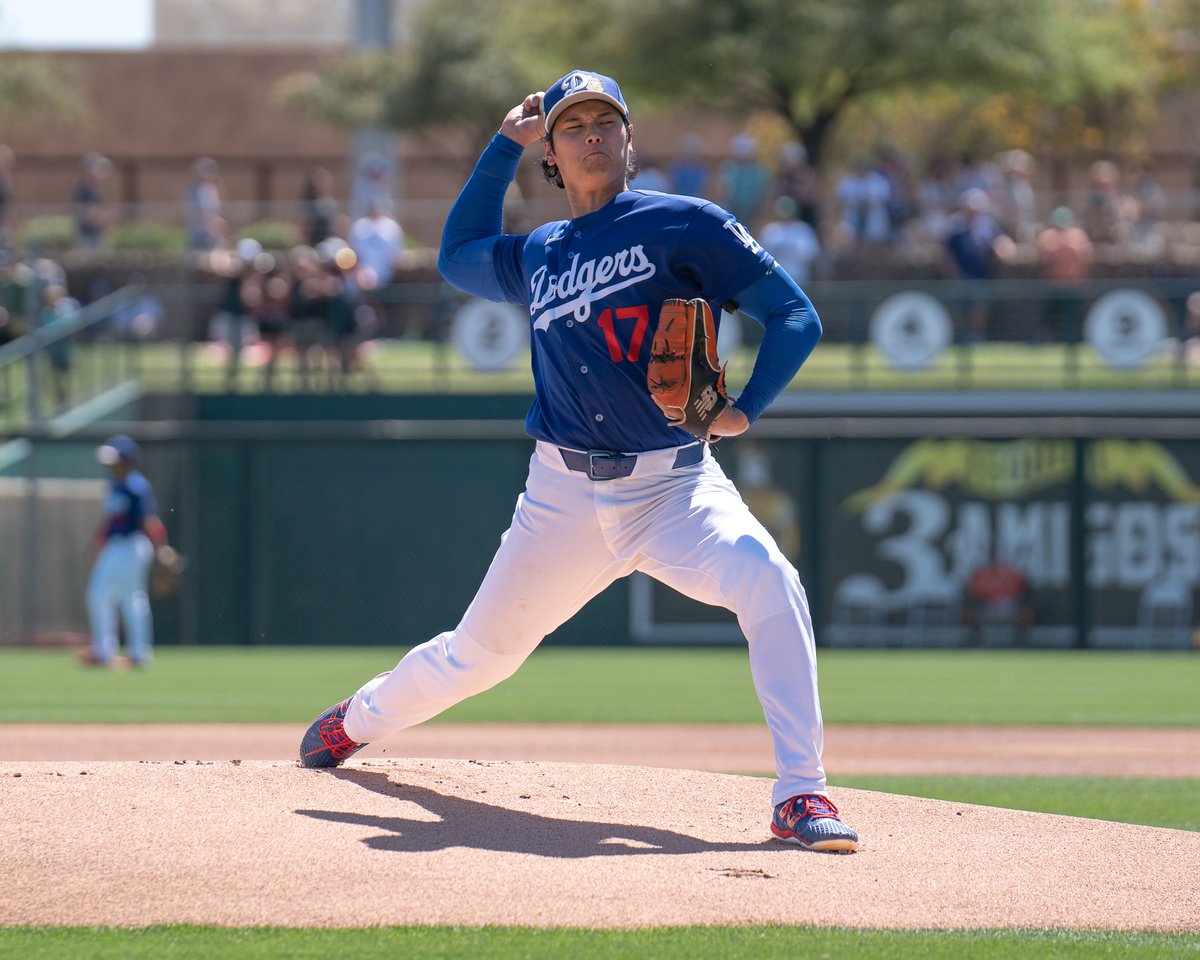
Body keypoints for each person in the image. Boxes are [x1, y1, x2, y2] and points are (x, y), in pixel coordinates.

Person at [298, 68, 859, 853]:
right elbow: (458, 253)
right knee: (477, 657)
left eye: (607, 122)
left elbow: (794, 314)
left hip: (675, 489)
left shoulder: (686, 224)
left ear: (630, 140)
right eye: (573, 127)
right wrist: (502, 145)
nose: (593, 135)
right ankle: (355, 722)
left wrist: (744, 409)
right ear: (553, 155)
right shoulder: (540, 252)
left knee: (770, 580)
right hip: (560, 498)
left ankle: (801, 792)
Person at [80, 435, 168, 669]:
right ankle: (105, 650)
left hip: (132, 545)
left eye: (116, 459)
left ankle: (137, 653)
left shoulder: (136, 486)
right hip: (115, 546)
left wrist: (162, 548)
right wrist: (97, 543)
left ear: (128, 459)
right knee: (99, 595)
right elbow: (110, 521)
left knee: (130, 598)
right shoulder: (114, 484)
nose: (111, 464)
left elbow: (149, 519)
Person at [73, 153, 114, 252]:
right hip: (87, 234)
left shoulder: (95, 190)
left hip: (97, 234)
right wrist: (102, 218)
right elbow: (86, 213)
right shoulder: (85, 190)